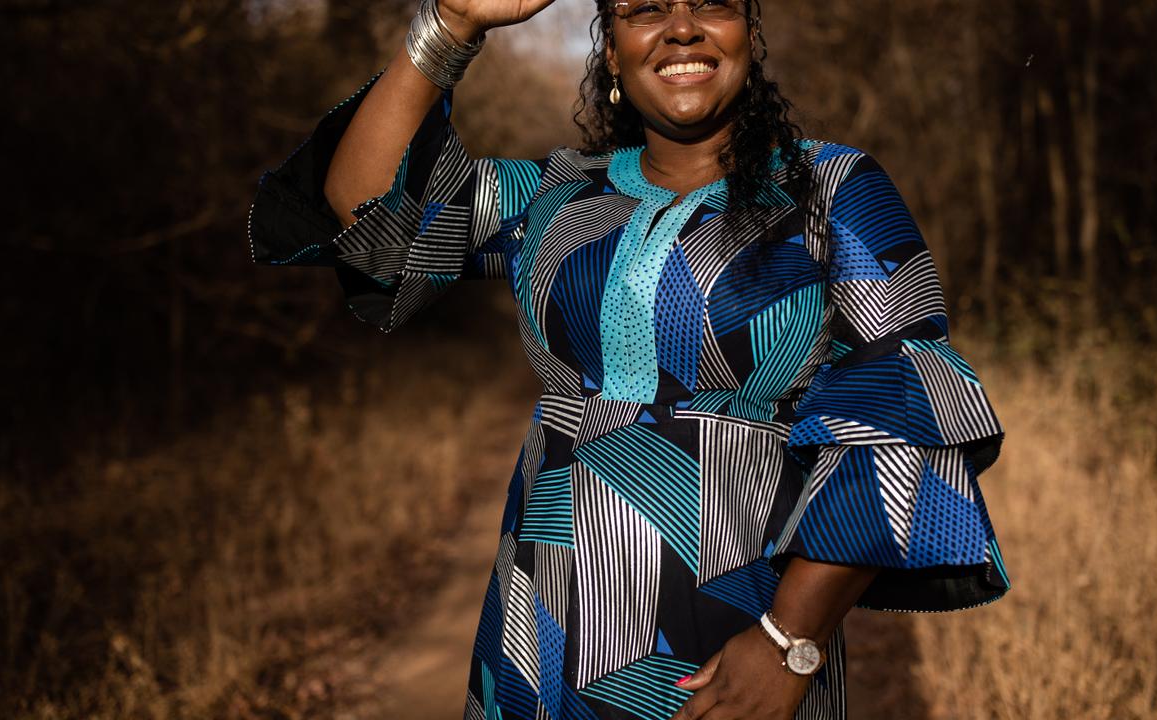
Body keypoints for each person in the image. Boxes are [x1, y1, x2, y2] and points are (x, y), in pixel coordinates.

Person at [247, 0, 1012, 717]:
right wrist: (450, 24)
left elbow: (902, 411)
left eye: (711, 4)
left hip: (733, 618)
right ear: (612, 51)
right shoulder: (551, 197)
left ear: (749, 32)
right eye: (645, 9)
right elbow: (370, 211)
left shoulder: (828, 189)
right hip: (539, 616)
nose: (681, 29)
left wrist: (788, 645)